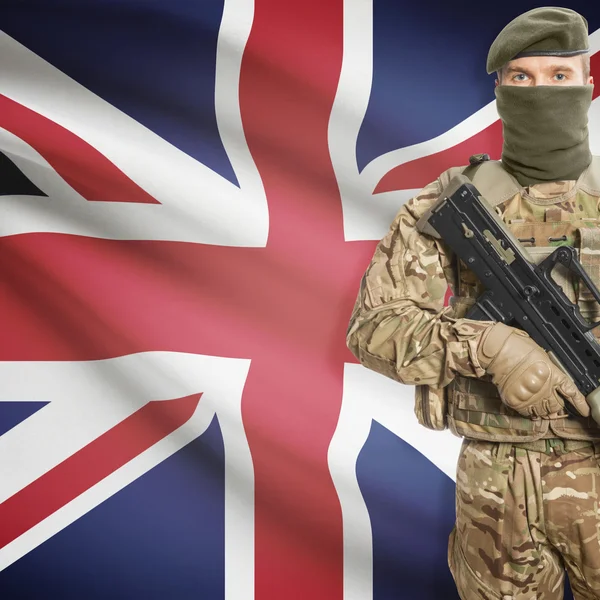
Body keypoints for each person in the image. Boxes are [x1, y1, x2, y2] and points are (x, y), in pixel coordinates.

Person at [346, 7, 600, 599]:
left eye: (559, 77)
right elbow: (373, 327)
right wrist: (486, 345)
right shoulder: (454, 202)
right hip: (495, 487)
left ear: (588, 84)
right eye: (522, 78)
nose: (540, 91)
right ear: (499, 90)